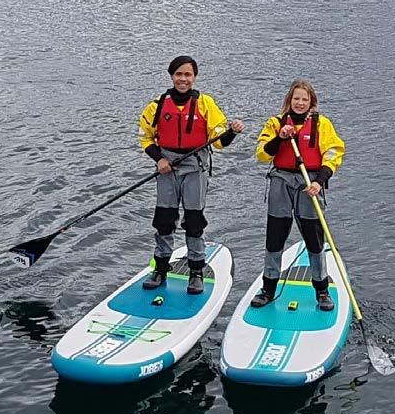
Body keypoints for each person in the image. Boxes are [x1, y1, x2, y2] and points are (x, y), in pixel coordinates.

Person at [138, 55, 244, 294]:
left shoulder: (206, 104)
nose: (183, 79)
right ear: (171, 76)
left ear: (194, 77)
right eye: (178, 74)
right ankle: (161, 268)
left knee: (194, 220)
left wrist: (232, 132)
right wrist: (160, 160)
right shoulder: (156, 106)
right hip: (167, 168)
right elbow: (145, 137)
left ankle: (196, 270)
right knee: (164, 219)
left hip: (194, 167)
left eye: (187, 75)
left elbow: (219, 141)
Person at [251, 79, 345, 311]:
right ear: (289, 101)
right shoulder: (275, 124)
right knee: (275, 237)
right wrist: (280, 137)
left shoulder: (322, 125)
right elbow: (262, 154)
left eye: (305, 99)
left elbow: (334, 152)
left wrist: (319, 181)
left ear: (311, 102)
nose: (300, 103)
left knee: (314, 239)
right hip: (281, 181)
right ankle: (268, 288)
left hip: (310, 182)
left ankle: (322, 290)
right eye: (296, 99)